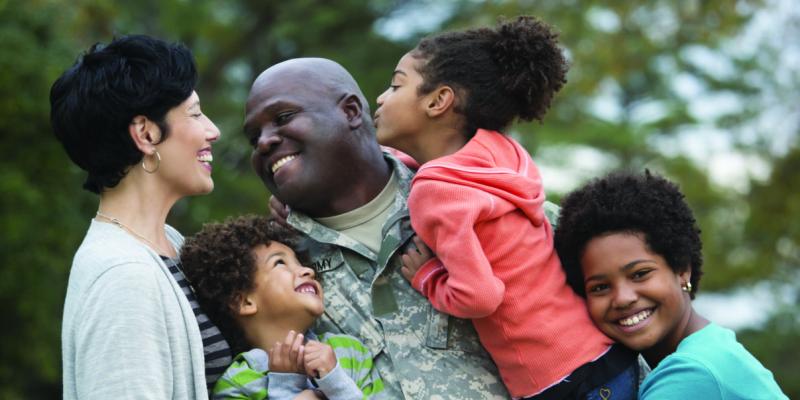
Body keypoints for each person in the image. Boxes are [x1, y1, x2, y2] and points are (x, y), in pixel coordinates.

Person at [373, 16, 636, 399]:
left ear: (438, 101)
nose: (381, 98)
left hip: (557, 382)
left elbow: (480, 296)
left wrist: (428, 277)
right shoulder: (500, 154)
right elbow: (443, 170)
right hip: (604, 357)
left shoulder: (436, 192)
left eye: (396, 85)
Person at [246, 57, 510, 398]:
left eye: (283, 118)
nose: (265, 142)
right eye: (254, 138)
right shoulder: (272, 264)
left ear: (351, 112)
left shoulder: (467, 202)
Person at [52, 35, 229, 399]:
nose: (213, 131)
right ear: (146, 134)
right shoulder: (123, 276)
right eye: (195, 113)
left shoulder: (168, 244)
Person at [554, 171, 788, 399]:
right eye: (600, 287)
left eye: (640, 274)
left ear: (682, 269)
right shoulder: (711, 347)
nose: (623, 298)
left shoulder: (692, 373)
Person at [180, 215, 385, 399]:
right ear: (244, 302)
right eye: (280, 263)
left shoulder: (349, 351)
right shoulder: (237, 384)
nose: (307, 271)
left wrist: (336, 382)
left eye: (300, 262)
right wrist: (285, 388)